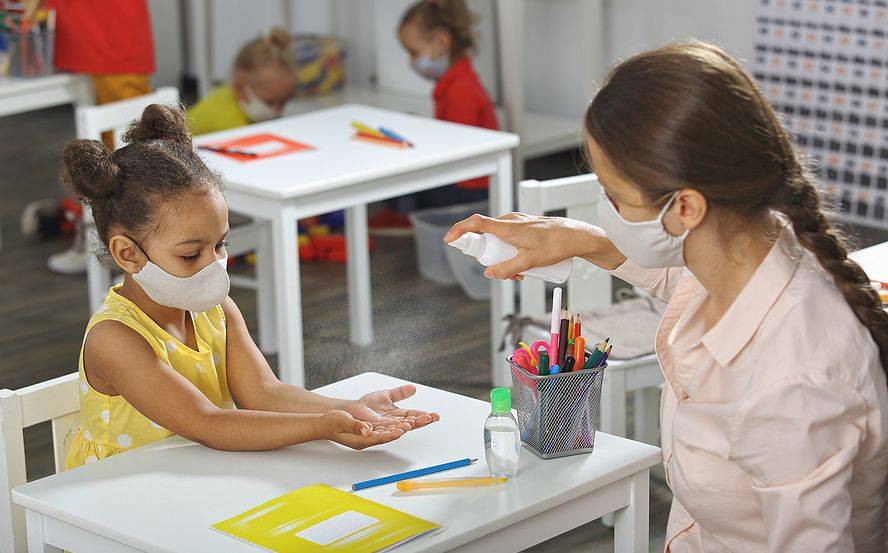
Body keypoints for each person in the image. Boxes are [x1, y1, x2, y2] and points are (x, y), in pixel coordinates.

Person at [445, 41, 888, 552]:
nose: (604, 207)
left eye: (614, 196)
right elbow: (682, 281)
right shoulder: (749, 247)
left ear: (685, 209)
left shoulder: (794, 381)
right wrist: (583, 240)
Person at [62, 104, 438, 469]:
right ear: (128, 254)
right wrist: (321, 427)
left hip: (199, 475)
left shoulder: (216, 310)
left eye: (220, 244)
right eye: (191, 254)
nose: (214, 265)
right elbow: (208, 423)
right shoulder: (114, 338)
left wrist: (350, 409)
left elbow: (264, 393)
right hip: (117, 492)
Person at [37, 0, 155, 274]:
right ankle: (108, 243)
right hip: (79, 25)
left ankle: (143, 251)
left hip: (108, 26)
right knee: (101, 148)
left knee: (131, 149)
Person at [370, 0, 499, 232]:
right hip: (464, 181)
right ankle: (403, 213)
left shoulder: (461, 90)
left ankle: (403, 216)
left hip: (469, 188)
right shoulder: (455, 81)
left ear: (441, 42)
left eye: (414, 52)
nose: (412, 61)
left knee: (396, 171)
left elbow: (454, 150)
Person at [188, 28, 296, 136]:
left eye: (283, 102)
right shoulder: (229, 122)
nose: (278, 112)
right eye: (269, 102)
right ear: (240, 87)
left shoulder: (230, 95)